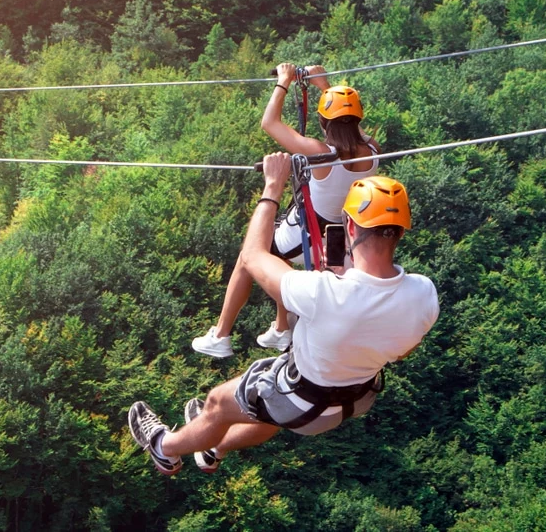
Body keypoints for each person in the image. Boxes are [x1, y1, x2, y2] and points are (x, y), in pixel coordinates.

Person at [129, 153, 439, 475]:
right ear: (401, 232)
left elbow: (252, 256)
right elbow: (403, 350)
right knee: (268, 411)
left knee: (217, 404)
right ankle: (214, 448)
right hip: (354, 400)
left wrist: (273, 186)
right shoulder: (424, 295)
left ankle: (164, 449)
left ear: (349, 225)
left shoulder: (322, 292)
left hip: (302, 400)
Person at [192, 63, 381, 358]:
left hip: (310, 232)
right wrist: (324, 85)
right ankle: (282, 328)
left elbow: (269, 123)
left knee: (249, 256)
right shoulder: (373, 150)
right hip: (341, 236)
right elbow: (352, 126)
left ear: (323, 121)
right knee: (280, 257)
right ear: (357, 119)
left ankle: (221, 335)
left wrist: (283, 82)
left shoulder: (320, 153)